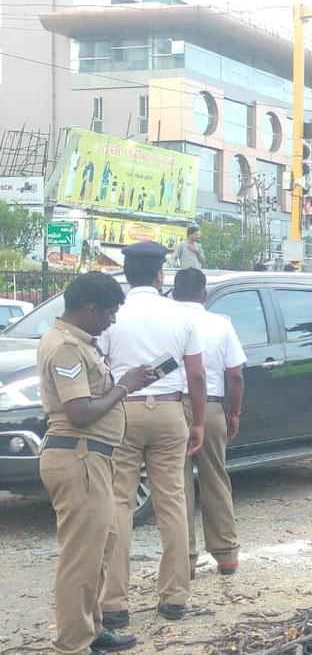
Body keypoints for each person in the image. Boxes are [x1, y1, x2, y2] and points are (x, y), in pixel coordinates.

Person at [38, 273, 153, 655]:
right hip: (77, 455)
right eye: (109, 313)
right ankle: (72, 643)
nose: (112, 321)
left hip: (90, 457)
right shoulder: (66, 348)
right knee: (81, 557)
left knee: (101, 547)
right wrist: (126, 386)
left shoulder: (81, 344)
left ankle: (91, 629)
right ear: (90, 309)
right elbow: (80, 412)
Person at [99, 241, 207, 628]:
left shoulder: (114, 314)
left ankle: (114, 603)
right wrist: (196, 421)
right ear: (161, 274)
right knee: (173, 504)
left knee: (118, 505)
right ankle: (174, 598)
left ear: (127, 275)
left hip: (122, 411)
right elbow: (196, 374)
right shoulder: (180, 315)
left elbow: (101, 369)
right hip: (167, 410)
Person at [173, 269, 246, 579]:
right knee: (215, 478)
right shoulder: (221, 324)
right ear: (203, 294)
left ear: (173, 293)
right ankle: (226, 554)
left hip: (172, 407)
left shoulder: (167, 323)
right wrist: (234, 413)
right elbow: (235, 375)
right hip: (214, 406)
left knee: (178, 484)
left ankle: (185, 559)